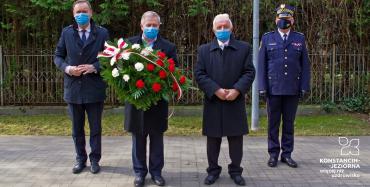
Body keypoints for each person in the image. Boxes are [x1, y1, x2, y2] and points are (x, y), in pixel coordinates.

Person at [194, 14, 255, 186]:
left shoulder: (244, 48)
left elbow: (249, 72)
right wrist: (215, 90)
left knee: (236, 139)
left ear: (231, 28)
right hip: (213, 101)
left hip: (234, 101)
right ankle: (213, 171)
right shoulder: (204, 50)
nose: (222, 30)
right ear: (213, 30)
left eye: (225, 27)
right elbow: (199, 74)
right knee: (213, 139)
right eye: (218, 27)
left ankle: (236, 171)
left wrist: (237, 89)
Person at [54, 0, 109, 174]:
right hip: (73, 88)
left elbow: (109, 57)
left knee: (95, 128)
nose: (81, 14)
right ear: (73, 14)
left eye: (84, 11)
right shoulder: (67, 32)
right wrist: (68, 69)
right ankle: (80, 159)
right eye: (78, 12)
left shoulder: (101, 33)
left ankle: (95, 160)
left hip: (94, 88)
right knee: (77, 129)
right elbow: (58, 56)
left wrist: (95, 67)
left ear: (91, 13)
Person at [124, 11, 178, 187]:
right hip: (136, 101)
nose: (151, 28)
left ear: (159, 26)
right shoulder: (130, 44)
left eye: (155, 25)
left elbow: (173, 73)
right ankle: (139, 172)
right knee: (138, 138)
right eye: (149, 25)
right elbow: (122, 71)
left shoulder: (168, 47)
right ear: (141, 26)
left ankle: (156, 172)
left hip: (157, 101)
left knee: (156, 138)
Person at [258, 4, 311, 168]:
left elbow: (305, 65)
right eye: (281, 19)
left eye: (287, 19)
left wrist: (304, 86)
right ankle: (273, 154)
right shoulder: (267, 38)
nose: (283, 21)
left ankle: (286, 154)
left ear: (292, 20)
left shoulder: (299, 38)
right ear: (276, 20)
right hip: (273, 89)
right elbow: (261, 65)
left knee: (289, 123)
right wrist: (262, 86)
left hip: (292, 89)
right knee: (273, 123)